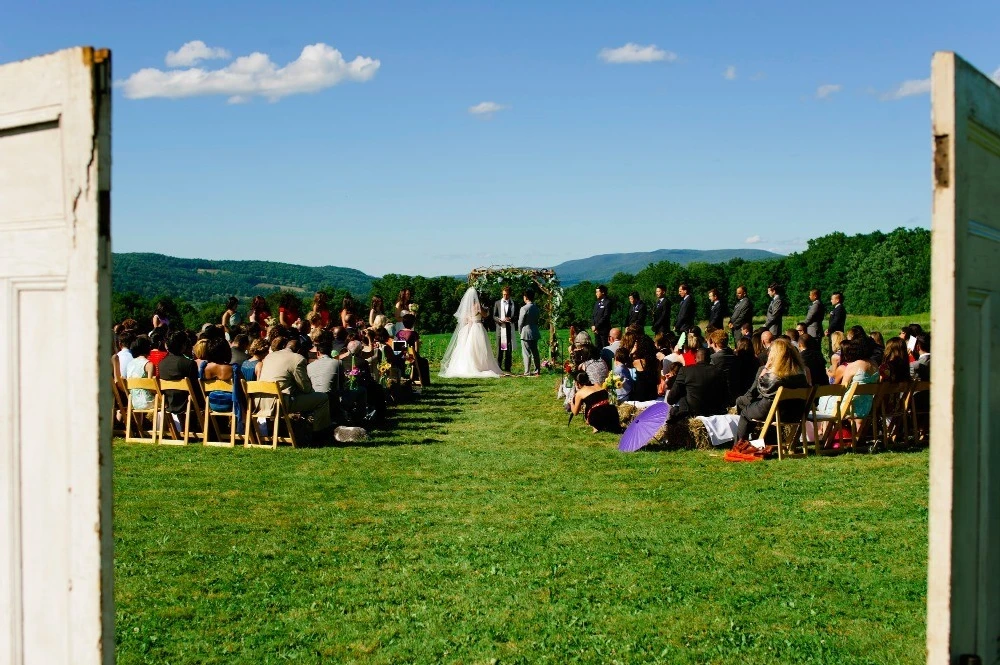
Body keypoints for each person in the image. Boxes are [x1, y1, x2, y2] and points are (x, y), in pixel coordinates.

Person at [734, 338, 810, 444]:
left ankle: (740, 445)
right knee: (751, 406)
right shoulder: (800, 373)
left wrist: (766, 367)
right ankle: (766, 439)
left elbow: (760, 388)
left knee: (745, 412)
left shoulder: (774, 375)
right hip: (795, 412)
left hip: (773, 411)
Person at [257, 334, 331, 436]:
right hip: (279, 403)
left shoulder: (269, 356)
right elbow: (306, 388)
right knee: (323, 398)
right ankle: (319, 435)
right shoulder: (297, 358)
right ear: (299, 350)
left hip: (259, 401)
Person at [439, 287, 502, 378]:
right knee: (480, 348)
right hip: (477, 327)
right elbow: (485, 315)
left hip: (469, 328)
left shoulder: (468, 307)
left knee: (469, 347)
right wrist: (484, 310)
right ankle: (480, 366)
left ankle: (468, 365)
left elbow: (464, 319)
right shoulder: (478, 305)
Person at [668, 347, 729, 419]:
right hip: (716, 413)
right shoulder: (719, 371)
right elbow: (726, 397)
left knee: (682, 393)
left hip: (693, 414)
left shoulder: (685, 371)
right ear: (709, 359)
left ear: (696, 359)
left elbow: (671, 399)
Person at [158, 331, 201, 420]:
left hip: (169, 403)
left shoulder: (161, 364)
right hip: (187, 404)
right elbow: (195, 389)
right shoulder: (189, 363)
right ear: (183, 345)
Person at [307, 331, 344, 420]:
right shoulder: (337, 362)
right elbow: (340, 384)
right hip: (330, 399)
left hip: (313, 398)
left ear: (318, 353)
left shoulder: (309, 366)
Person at [707, 329, 739, 406]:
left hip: (720, 393)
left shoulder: (713, 358)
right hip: (735, 391)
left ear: (715, 344)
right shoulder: (734, 356)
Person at [125, 335, 156, 411]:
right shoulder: (148, 364)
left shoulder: (129, 364)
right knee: (165, 402)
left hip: (134, 402)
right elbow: (151, 388)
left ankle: (139, 423)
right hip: (147, 402)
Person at [492, 285, 516, 374]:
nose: (505, 296)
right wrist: (499, 320)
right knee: (500, 349)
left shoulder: (513, 304)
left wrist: (510, 319)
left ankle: (507, 368)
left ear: (510, 294)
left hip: (509, 329)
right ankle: (498, 368)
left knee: (508, 350)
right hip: (500, 329)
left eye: (507, 295)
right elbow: (494, 316)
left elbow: (516, 316)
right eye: (504, 295)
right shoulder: (497, 303)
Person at [518, 288, 542, 377]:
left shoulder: (524, 308)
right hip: (534, 331)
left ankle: (527, 371)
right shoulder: (536, 308)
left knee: (526, 353)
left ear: (526, 297)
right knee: (535, 352)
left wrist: (520, 331)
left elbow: (520, 322)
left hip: (526, 331)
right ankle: (537, 370)